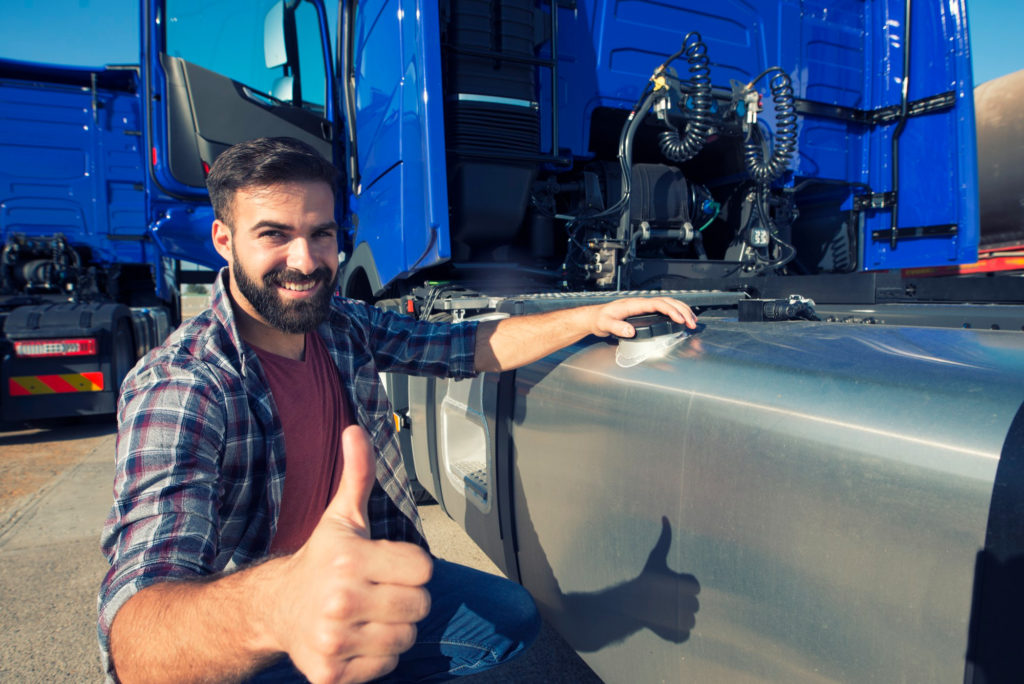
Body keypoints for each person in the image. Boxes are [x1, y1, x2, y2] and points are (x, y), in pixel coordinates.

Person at [99, 137, 697, 683]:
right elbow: (137, 639)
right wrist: (279, 606)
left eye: (323, 234)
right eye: (274, 235)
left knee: (508, 616)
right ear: (224, 239)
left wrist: (590, 316)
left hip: (358, 583)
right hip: (254, 633)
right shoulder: (184, 385)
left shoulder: (340, 326)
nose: (306, 262)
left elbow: (469, 346)